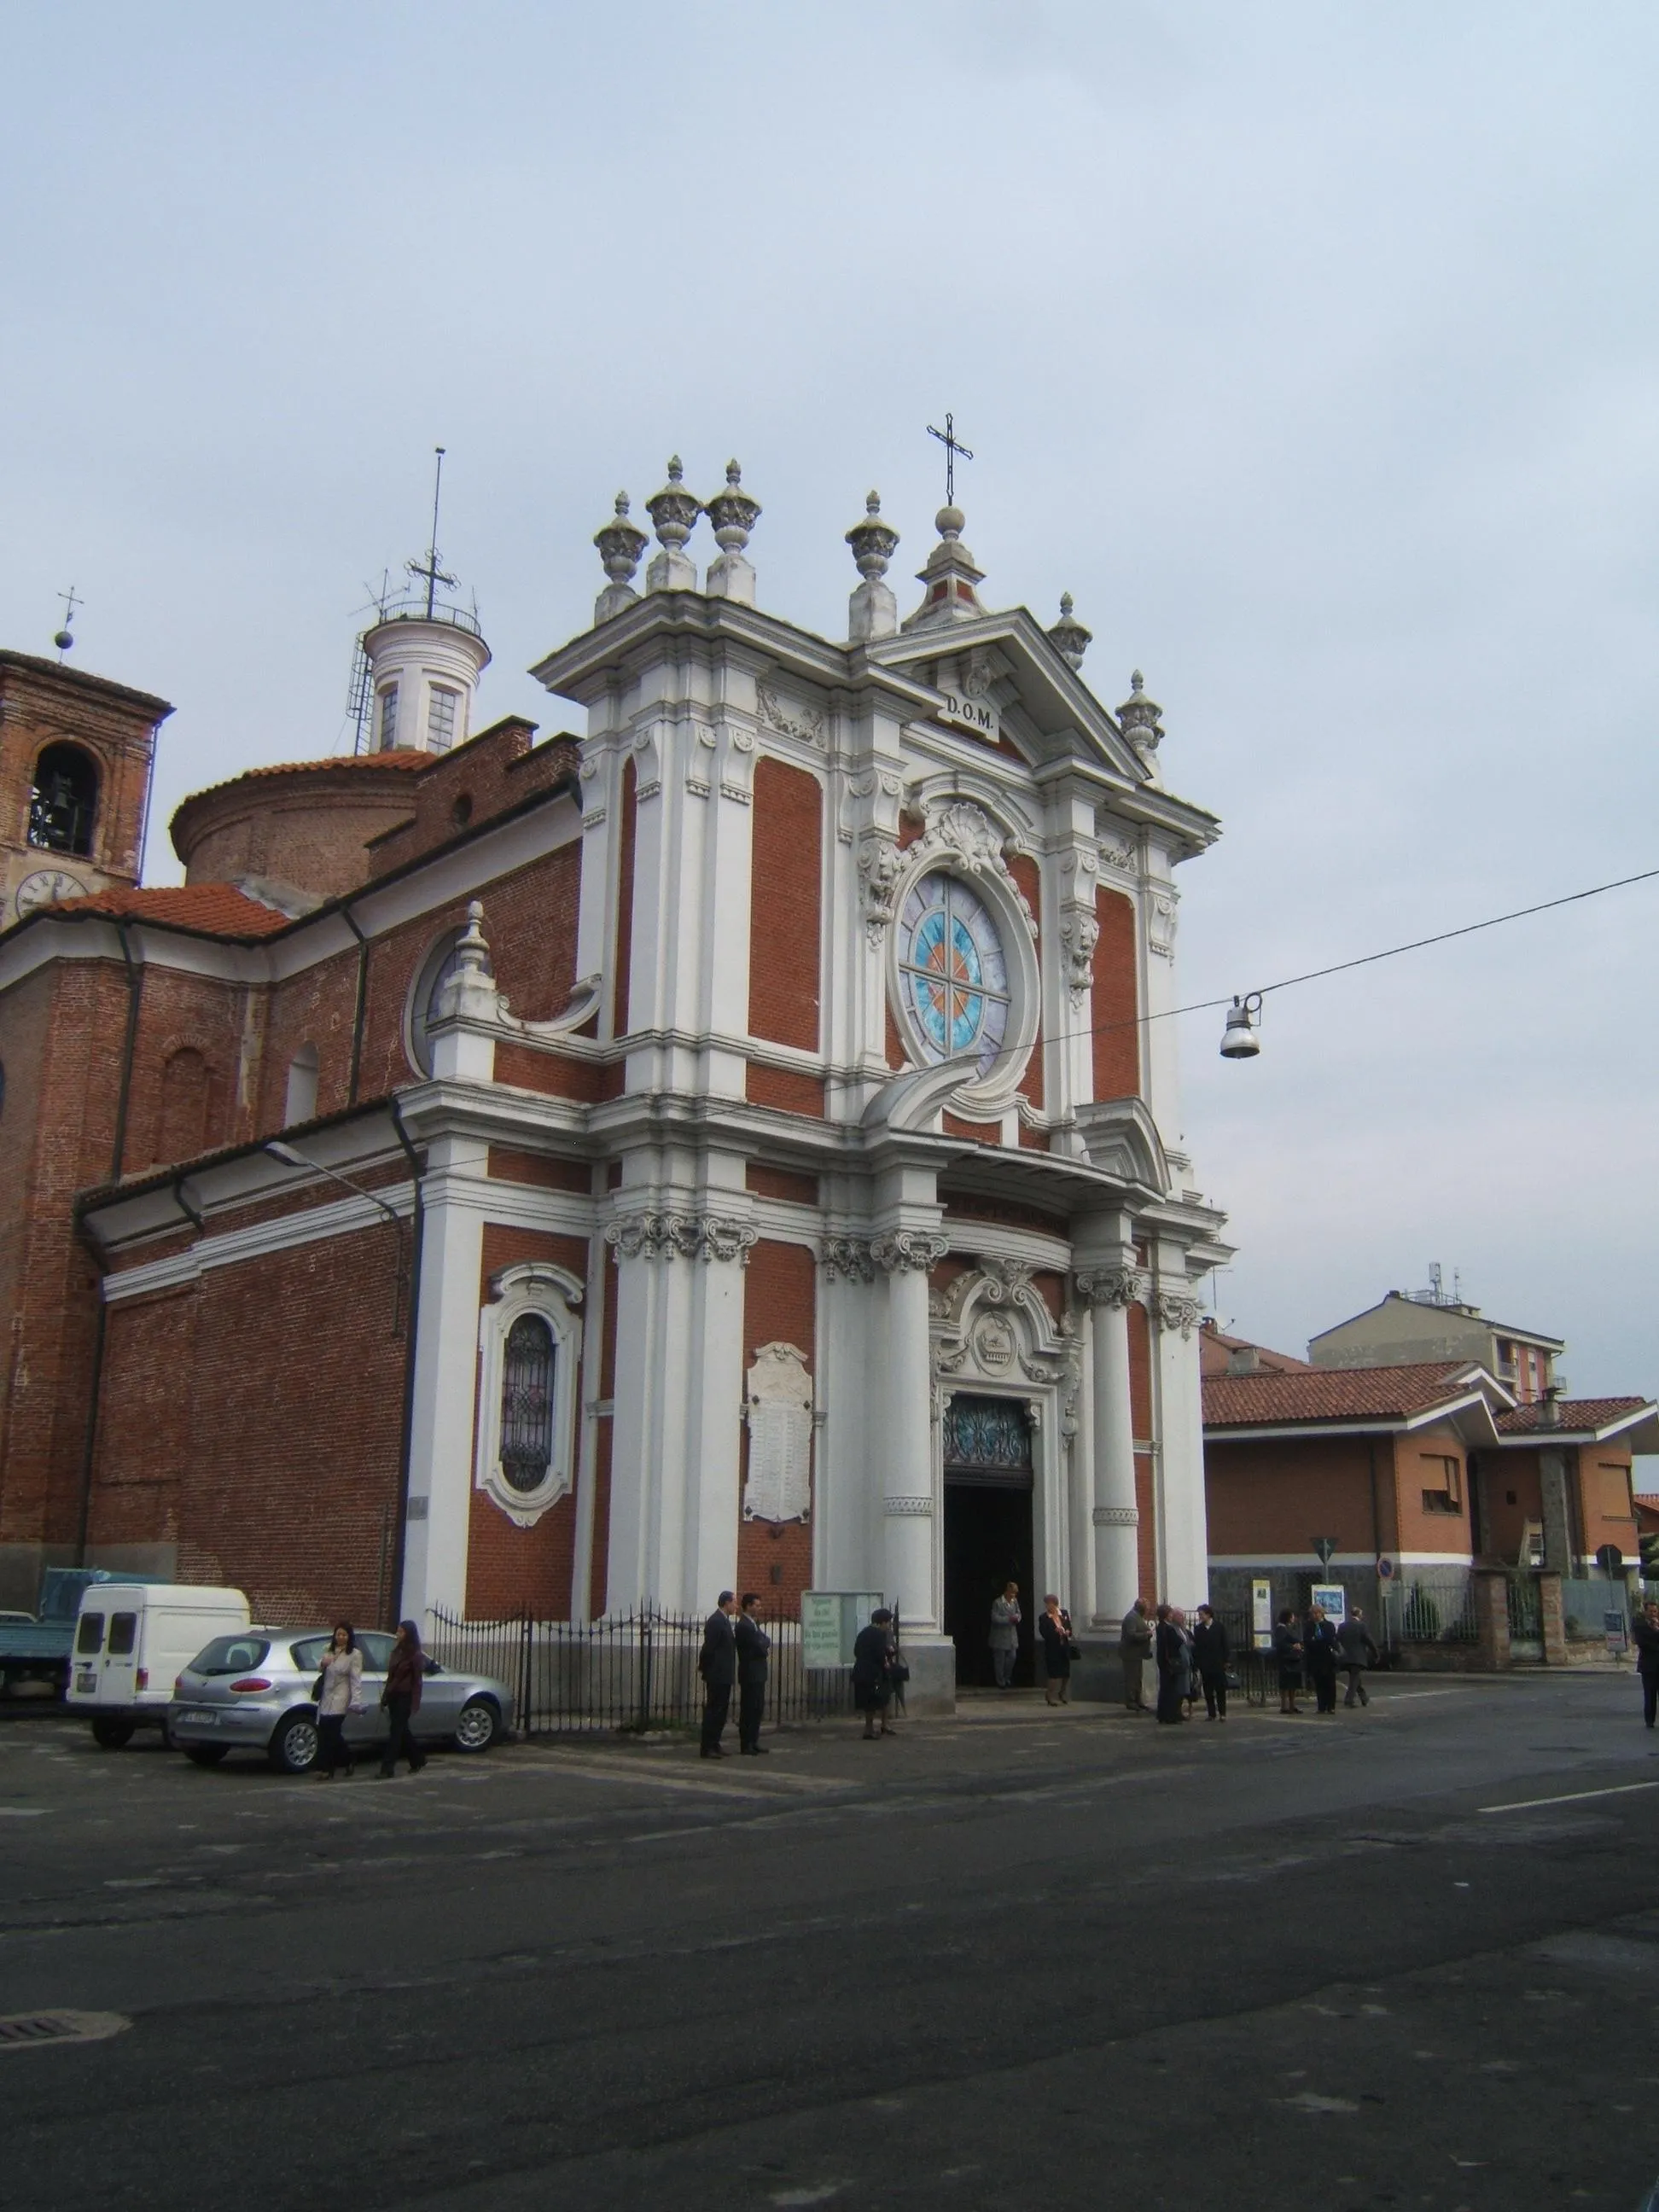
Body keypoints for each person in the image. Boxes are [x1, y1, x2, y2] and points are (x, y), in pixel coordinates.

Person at [377, 1619, 428, 1778]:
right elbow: (391, 1676)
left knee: (396, 1733)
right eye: (398, 1631)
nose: (398, 1635)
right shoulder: (396, 1652)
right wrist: (385, 1697)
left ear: (409, 1634)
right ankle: (417, 1758)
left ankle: (387, 1768)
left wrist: (415, 1703)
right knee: (402, 1731)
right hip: (394, 1695)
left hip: (405, 1696)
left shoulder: (415, 1655)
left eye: (401, 1632)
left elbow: (417, 1681)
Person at [315, 1620, 363, 1778]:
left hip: (341, 1696)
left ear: (349, 1636)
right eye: (338, 1634)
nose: (341, 1637)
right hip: (327, 1696)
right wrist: (323, 1662)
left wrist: (356, 1701)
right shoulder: (329, 1650)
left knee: (333, 1732)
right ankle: (347, 1759)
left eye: (344, 1634)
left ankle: (329, 1769)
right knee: (324, 1732)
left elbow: (356, 1679)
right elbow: (319, 1667)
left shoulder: (354, 1655)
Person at [698, 1591, 738, 1758]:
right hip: (717, 1674)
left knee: (721, 1712)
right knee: (714, 1711)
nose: (736, 1606)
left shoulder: (725, 1621)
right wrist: (706, 1669)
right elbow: (708, 1648)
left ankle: (715, 1743)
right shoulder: (716, 1621)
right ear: (726, 1603)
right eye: (734, 1602)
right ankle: (707, 1747)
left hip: (724, 1674)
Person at [734, 1592, 771, 1755]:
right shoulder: (744, 1625)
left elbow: (766, 1640)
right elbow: (759, 1646)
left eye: (759, 1605)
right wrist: (762, 1644)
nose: (759, 1608)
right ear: (748, 1606)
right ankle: (746, 1743)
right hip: (750, 1672)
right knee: (749, 1709)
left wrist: (763, 1643)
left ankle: (754, 1740)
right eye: (756, 1605)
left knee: (757, 1708)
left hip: (759, 1672)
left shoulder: (754, 1624)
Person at [853, 1607, 898, 1740]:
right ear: (882, 1622)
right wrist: (886, 1663)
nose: (889, 1626)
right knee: (873, 1702)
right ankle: (869, 1731)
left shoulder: (863, 1633)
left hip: (860, 1671)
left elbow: (856, 1651)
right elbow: (880, 1654)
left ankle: (870, 1729)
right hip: (872, 1673)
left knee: (868, 1703)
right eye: (888, 1623)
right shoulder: (878, 1634)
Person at [1190, 1602, 1231, 1720]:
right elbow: (1197, 1647)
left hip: (1218, 1663)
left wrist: (1226, 1660)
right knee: (1208, 1690)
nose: (1200, 1617)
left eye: (1202, 1614)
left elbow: (1225, 1644)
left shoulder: (1219, 1627)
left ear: (1208, 1615)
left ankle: (1222, 1713)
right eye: (1199, 1615)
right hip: (1205, 1664)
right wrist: (1197, 1662)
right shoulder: (1198, 1629)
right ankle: (1211, 1713)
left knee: (1220, 1690)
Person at [1154, 1604, 1191, 1724]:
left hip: (1164, 1661)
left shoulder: (1161, 1627)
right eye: (1170, 1614)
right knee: (1170, 1690)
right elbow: (1178, 1641)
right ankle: (1170, 1715)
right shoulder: (1168, 1628)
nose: (1171, 1616)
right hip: (1170, 1662)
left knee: (1166, 1689)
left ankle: (1164, 1715)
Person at [1336, 1606, 1380, 1708]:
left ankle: (1364, 1698)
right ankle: (1349, 1700)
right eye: (1362, 1614)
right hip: (1357, 1657)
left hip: (1345, 1657)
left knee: (1355, 1678)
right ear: (1359, 1615)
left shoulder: (1342, 1626)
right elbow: (1369, 1641)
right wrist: (1376, 1654)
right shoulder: (1362, 1626)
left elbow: (1337, 1639)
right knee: (1354, 1679)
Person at [1037, 1594, 1074, 1706]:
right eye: (1046, 1604)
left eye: (1049, 1604)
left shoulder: (1064, 1614)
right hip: (1052, 1648)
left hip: (1064, 1647)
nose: (1048, 1607)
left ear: (1055, 1604)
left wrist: (1067, 1632)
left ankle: (1062, 1693)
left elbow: (1069, 1628)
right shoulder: (1044, 1617)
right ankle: (1050, 1696)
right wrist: (1055, 1632)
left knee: (1065, 1673)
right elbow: (1044, 1633)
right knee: (1053, 1673)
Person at [1305, 1604, 1341, 1714]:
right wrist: (1315, 1641)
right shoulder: (1309, 1626)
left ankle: (1331, 1706)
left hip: (1328, 1658)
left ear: (1321, 1613)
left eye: (1317, 1613)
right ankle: (1321, 1706)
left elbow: (1329, 1639)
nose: (1315, 1616)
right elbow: (1307, 1641)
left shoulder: (1328, 1625)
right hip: (1315, 1658)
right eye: (1313, 1614)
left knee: (1330, 1683)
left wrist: (1316, 1640)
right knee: (1319, 1683)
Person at [1120, 1598, 1154, 1712]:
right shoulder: (1131, 1618)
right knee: (1131, 1678)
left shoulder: (1138, 1617)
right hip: (1131, 1654)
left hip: (1138, 1654)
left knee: (1137, 1678)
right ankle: (1131, 1701)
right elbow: (1131, 1635)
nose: (1148, 1609)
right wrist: (1146, 1634)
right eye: (1147, 1607)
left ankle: (1138, 1700)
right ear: (1140, 1607)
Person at [988, 1581, 1022, 1689]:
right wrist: (1008, 1619)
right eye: (1012, 1593)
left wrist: (1017, 1618)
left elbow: (1019, 1613)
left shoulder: (1015, 1602)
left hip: (1012, 1636)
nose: (1013, 1596)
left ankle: (1007, 1677)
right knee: (1000, 1661)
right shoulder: (998, 1603)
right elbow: (994, 1618)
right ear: (1007, 1591)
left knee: (1012, 1657)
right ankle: (1000, 1681)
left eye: (1015, 1594)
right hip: (1000, 1636)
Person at [1272, 1608, 1304, 1716]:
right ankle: (1285, 1706)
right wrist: (1293, 1646)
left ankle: (1292, 1705)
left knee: (1292, 1684)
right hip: (1286, 1660)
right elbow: (1280, 1644)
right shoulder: (1281, 1629)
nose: (1294, 1618)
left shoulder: (1286, 1628)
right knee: (1286, 1684)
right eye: (1292, 1616)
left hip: (1291, 1660)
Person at [1634, 1600, 1659, 1730]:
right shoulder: (1640, 1625)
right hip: (1649, 1666)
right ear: (1645, 1612)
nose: (1653, 1614)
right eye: (1651, 1611)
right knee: (1650, 1695)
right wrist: (1655, 1632)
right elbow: (1642, 1643)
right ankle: (1650, 1721)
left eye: (1655, 1611)